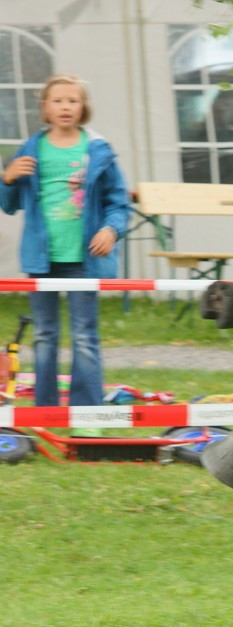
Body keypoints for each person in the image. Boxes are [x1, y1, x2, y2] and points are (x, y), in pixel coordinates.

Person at [0, 73, 130, 410]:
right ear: (45, 107)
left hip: (84, 260)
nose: (65, 107)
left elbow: (118, 203)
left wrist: (110, 230)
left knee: (84, 337)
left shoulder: (97, 149)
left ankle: (88, 413)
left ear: (83, 107)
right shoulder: (31, 148)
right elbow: (9, 205)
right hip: (41, 260)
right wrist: (7, 179)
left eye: (73, 100)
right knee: (45, 337)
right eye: (58, 100)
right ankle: (45, 411)